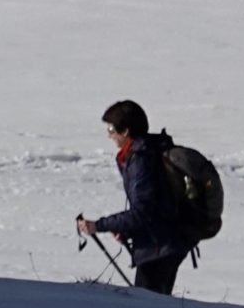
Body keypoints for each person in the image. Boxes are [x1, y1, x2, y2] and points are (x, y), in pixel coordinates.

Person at [77, 100, 187, 295]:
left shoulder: (141, 159)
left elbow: (142, 212)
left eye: (111, 129)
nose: (109, 135)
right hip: (167, 242)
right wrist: (126, 230)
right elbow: (154, 205)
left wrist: (100, 225)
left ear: (125, 131)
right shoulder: (149, 151)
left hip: (159, 247)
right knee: (157, 307)